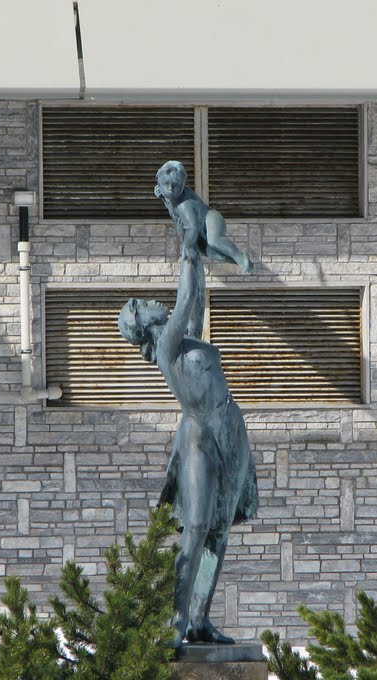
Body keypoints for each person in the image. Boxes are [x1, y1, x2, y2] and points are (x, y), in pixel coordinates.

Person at [117, 163, 258, 644]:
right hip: (199, 432)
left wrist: (193, 238)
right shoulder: (167, 343)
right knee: (195, 526)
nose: (150, 302)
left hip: (229, 427)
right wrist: (185, 254)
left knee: (220, 530)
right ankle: (176, 622)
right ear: (143, 322)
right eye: (142, 304)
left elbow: (194, 302)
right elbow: (186, 299)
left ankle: (199, 619)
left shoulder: (185, 338)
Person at [154, 160, 252, 338]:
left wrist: (189, 247)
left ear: (183, 185)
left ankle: (240, 256)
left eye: (175, 186)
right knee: (211, 252)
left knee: (214, 241)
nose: (170, 189)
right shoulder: (169, 197)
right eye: (166, 185)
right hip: (201, 228)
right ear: (159, 184)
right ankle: (234, 259)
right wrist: (162, 198)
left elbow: (192, 227)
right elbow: (173, 211)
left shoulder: (184, 204)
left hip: (211, 219)